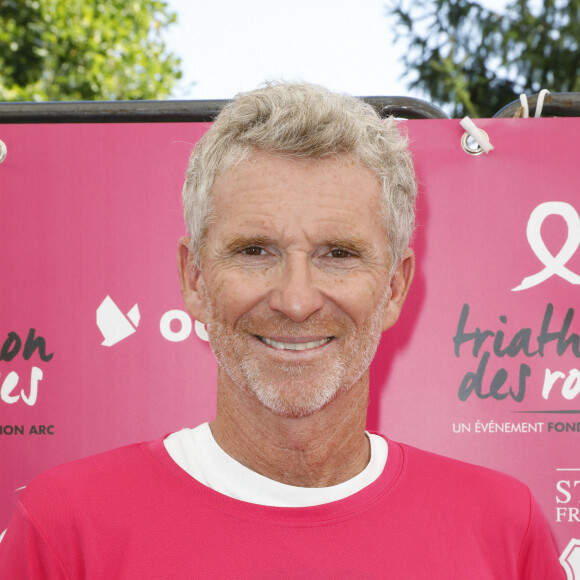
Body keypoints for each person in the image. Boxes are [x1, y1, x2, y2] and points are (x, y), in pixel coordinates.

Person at [0, 82, 564, 578]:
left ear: (393, 287)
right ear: (194, 278)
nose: (296, 300)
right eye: (254, 251)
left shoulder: (503, 527)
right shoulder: (64, 528)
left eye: (338, 254)